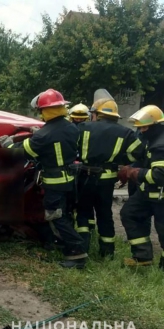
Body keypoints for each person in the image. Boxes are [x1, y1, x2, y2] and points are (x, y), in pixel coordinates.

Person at [0, 88, 88, 269]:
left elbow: (25, 150)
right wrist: (37, 131)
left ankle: (77, 252)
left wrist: (7, 144)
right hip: (70, 179)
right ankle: (63, 244)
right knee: (64, 214)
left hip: (55, 182)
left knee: (55, 215)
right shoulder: (70, 127)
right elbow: (55, 137)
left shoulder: (44, 134)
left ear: (46, 111)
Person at [75, 89, 145, 259]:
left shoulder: (83, 127)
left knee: (83, 212)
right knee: (105, 215)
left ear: (98, 114)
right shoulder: (126, 133)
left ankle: (82, 248)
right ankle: (107, 254)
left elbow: (72, 148)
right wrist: (119, 161)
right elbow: (138, 153)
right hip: (106, 180)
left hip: (85, 177)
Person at [118, 105, 164, 269]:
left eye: (144, 127)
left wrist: (135, 173)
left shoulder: (160, 145)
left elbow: (159, 176)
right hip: (148, 193)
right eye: (140, 128)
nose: (142, 131)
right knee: (129, 214)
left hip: (160, 196)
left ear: (156, 125)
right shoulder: (151, 139)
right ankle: (142, 257)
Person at [69, 103, 96, 231]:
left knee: (86, 199)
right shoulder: (68, 129)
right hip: (72, 168)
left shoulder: (93, 130)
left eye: (82, 119)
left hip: (86, 169)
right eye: (76, 118)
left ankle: (90, 225)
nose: (79, 121)